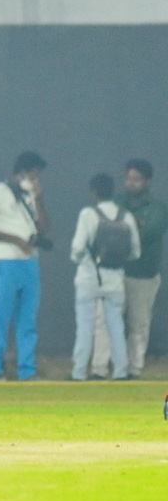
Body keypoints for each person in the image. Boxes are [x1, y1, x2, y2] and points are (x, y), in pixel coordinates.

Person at [0, 151, 51, 381]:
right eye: (34, 174)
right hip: (4, 262)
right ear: (21, 173)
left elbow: (45, 229)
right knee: (0, 318)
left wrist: (39, 199)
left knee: (28, 320)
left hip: (30, 262)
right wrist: (15, 239)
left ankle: (27, 371)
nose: (36, 179)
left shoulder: (31, 196)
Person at [69, 173, 140, 381]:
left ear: (93, 193)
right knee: (116, 327)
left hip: (88, 279)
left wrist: (79, 259)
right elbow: (135, 252)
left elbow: (77, 248)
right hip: (115, 280)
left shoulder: (88, 214)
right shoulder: (125, 216)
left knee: (85, 327)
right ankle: (120, 372)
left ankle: (79, 372)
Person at [115, 159, 167, 379]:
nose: (131, 183)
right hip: (116, 273)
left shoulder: (158, 209)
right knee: (112, 322)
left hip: (144, 276)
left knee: (139, 324)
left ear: (147, 181)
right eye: (128, 178)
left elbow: (145, 234)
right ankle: (114, 367)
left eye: (136, 179)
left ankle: (134, 369)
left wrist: (122, 228)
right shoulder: (116, 202)